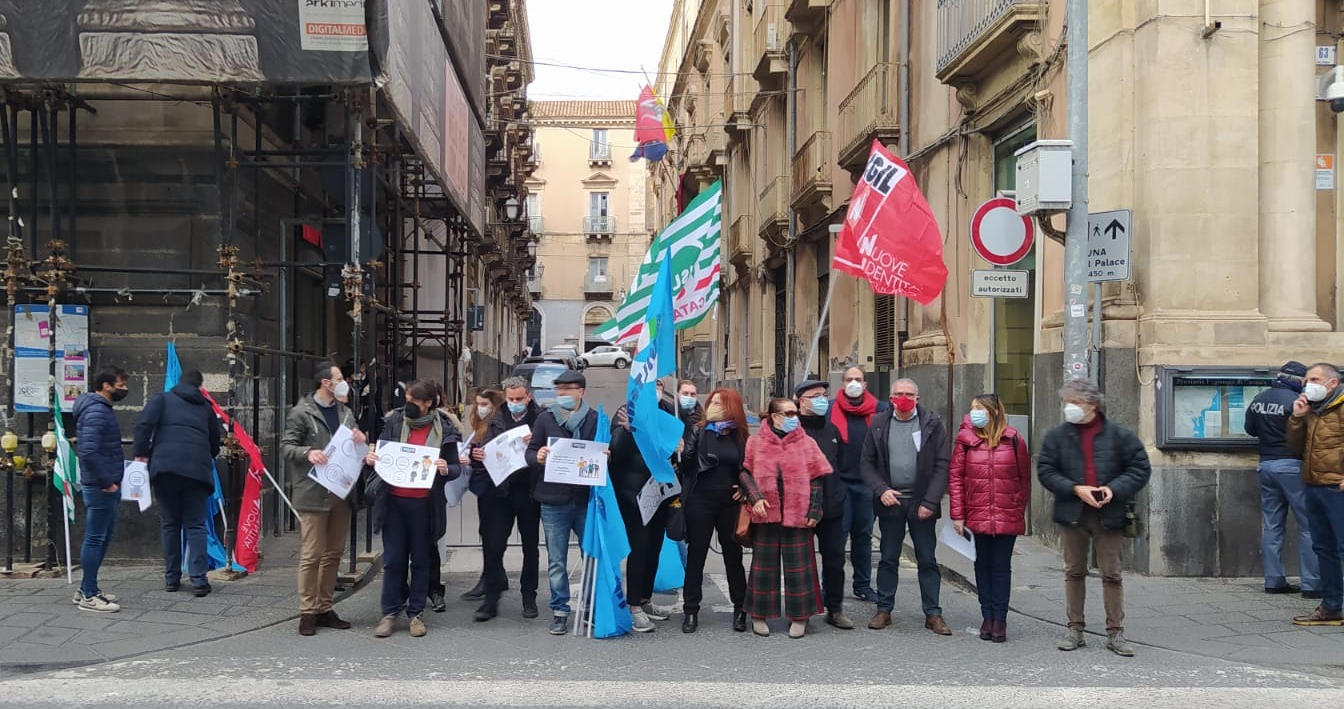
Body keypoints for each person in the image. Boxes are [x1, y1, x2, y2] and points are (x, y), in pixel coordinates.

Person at [1037, 378, 1151, 657]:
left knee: (1111, 573)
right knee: (1074, 572)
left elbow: (1139, 468)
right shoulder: (1057, 436)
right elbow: (1046, 470)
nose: (1068, 408)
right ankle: (1075, 629)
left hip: (1108, 514)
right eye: (1066, 402)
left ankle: (1115, 632)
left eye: (1074, 403)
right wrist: (1075, 488)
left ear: (1092, 404)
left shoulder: (1119, 435)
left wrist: (1114, 489)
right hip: (1072, 513)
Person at [365, 379, 462, 638]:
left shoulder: (445, 428)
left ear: (428, 403)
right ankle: (389, 612)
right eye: (406, 399)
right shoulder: (395, 422)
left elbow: (455, 468)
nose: (407, 405)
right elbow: (381, 451)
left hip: (425, 504)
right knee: (394, 560)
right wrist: (372, 458)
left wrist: (445, 468)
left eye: (413, 401)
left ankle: (416, 613)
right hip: (394, 502)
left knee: (420, 560)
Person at [280, 361, 368, 637]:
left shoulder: (345, 412)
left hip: (340, 491)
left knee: (333, 553)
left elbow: (357, 445)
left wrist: (360, 437)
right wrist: (308, 452)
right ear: (326, 383)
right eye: (340, 378)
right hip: (313, 490)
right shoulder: (302, 412)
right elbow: (286, 446)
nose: (345, 382)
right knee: (311, 554)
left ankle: (325, 607)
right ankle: (307, 611)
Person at [860, 378, 952, 636]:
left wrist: (930, 502)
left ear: (917, 399)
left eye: (909, 394)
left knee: (927, 559)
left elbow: (943, 465)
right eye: (898, 394)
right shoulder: (879, 424)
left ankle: (933, 614)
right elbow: (866, 463)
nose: (903, 398)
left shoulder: (932, 424)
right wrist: (881, 490)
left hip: (922, 503)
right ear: (891, 398)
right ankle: (884, 609)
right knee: (888, 558)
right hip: (891, 502)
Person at [741, 397, 832, 638]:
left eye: (795, 413)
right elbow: (745, 473)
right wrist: (755, 498)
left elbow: (816, 479)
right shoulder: (756, 442)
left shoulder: (807, 443)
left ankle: (800, 617)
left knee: (799, 568)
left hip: (798, 512)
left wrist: (814, 510)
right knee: (764, 567)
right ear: (775, 416)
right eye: (789, 413)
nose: (795, 418)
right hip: (766, 511)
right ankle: (759, 616)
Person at [132, 369, 223, 598]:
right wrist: (203, 455)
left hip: (166, 470)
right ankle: (199, 580)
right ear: (200, 387)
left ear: (179, 383)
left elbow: (143, 425)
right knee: (196, 525)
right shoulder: (205, 407)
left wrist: (141, 454)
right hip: (197, 472)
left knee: (170, 524)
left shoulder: (161, 399)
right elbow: (215, 442)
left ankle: (172, 578)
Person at [948, 393, 1031, 642]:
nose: (974, 413)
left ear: (993, 412)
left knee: (1001, 568)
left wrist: (1017, 509)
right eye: (972, 408)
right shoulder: (965, 440)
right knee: (982, 567)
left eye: (979, 409)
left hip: (1006, 515)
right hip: (976, 515)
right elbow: (956, 479)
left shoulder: (1014, 439)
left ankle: (1000, 620)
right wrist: (958, 516)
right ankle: (987, 617)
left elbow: (1023, 479)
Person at [526, 369, 600, 635]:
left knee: (590, 556)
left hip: (585, 499)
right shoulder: (546, 419)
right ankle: (560, 610)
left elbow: (605, 450)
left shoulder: (595, 419)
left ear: (581, 392)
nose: (563, 394)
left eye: (568, 389)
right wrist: (539, 456)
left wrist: (606, 455)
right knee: (556, 560)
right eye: (560, 390)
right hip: (553, 499)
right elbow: (530, 452)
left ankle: (590, 607)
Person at [1245, 361, 1320, 598]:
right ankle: (1312, 584)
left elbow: (1250, 429)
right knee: (1308, 525)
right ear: (1299, 381)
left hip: (1266, 465)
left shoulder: (1259, 399)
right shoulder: (1297, 402)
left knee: (1272, 525)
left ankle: (1274, 580)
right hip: (1292, 467)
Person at [678, 388, 750, 634]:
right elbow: (687, 467)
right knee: (696, 556)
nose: (713, 406)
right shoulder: (699, 430)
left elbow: (747, 467)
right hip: (700, 500)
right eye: (712, 402)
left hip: (729, 502)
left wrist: (744, 488)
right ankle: (690, 610)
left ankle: (741, 608)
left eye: (719, 403)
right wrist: (684, 449)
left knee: (733, 556)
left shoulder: (739, 434)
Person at [468, 385, 542, 622]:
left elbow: (552, 451)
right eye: (511, 398)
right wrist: (477, 456)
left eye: (519, 398)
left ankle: (528, 597)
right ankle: (491, 600)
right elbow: (483, 448)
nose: (515, 402)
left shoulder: (540, 419)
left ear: (528, 397)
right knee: (494, 546)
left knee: (530, 547)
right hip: (499, 492)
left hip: (529, 492)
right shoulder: (496, 418)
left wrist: (537, 443)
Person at [610, 390, 680, 632]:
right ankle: (633, 608)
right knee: (639, 549)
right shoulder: (624, 425)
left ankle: (644, 599)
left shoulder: (666, 418)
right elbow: (613, 461)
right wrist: (631, 432)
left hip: (660, 495)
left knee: (654, 548)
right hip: (633, 500)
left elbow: (674, 454)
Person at [1285, 362, 1344, 627]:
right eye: (1307, 379)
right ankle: (1331, 606)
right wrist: (1297, 418)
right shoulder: (1313, 410)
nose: (1308, 383)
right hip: (1314, 486)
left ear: (1332, 384)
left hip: (1337, 488)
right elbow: (1296, 447)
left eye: (1315, 379)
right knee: (1324, 548)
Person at [795, 379, 853, 630]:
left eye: (824, 395)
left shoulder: (832, 430)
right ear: (801, 401)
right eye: (815, 396)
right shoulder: (793, 430)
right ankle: (804, 609)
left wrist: (841, 493)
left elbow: (844, 463)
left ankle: (835, 608)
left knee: (834, 558)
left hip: (832, 505)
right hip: (801, 507)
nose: (822, 400)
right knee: (802, 561)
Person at [72, 367, 130, 613]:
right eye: (121, 384)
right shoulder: (97, 411)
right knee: (96, 538)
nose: (124, 388)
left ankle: (88, 587)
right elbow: (88, 452)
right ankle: (88, 594)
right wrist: (107, 482)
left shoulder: (99, 409)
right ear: (106, 385)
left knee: (103, 536)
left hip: (104, 482)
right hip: (101, 485)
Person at [832, 365, 886, 603]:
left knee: (863, 536)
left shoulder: (880, 410)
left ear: (865, 384)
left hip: (867, 484)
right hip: (839, 483)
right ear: (842, 383)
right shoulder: (830, 410)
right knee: (837, 538)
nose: (853, 383)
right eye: (849, 379)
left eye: (858, 379)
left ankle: (862, 585)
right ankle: (830, 587)